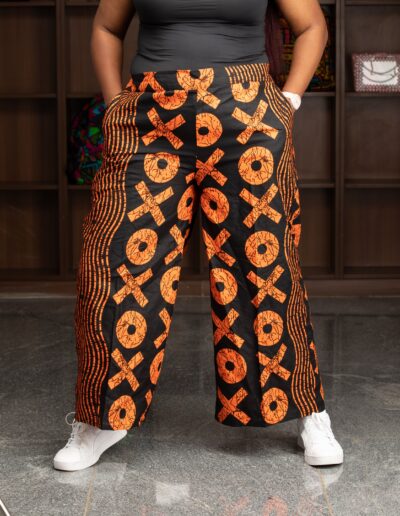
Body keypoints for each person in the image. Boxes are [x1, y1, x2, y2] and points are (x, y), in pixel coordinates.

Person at [53, 0, 344, 472]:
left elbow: (312, 26)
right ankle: (101, 418)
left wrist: (288, 101)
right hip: (149, 117)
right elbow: (106, 27)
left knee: (266, 265)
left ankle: (308, 410)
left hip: (246, 111)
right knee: (115, 262)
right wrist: (114, 104)